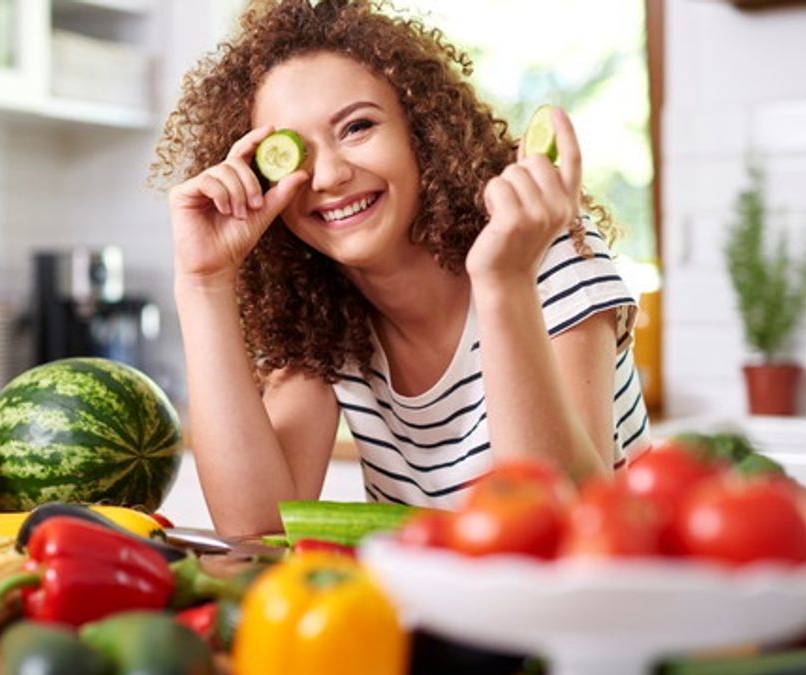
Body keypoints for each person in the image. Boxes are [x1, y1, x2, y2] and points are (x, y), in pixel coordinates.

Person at [151, 0, 651, 536]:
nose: (329, 176)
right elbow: (256, 528)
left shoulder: (545, 255)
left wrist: (503, 283)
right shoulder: (322, 316)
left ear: (421, 130)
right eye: (292, 153)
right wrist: (203, 282)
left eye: (357, 127)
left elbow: (565, 524)